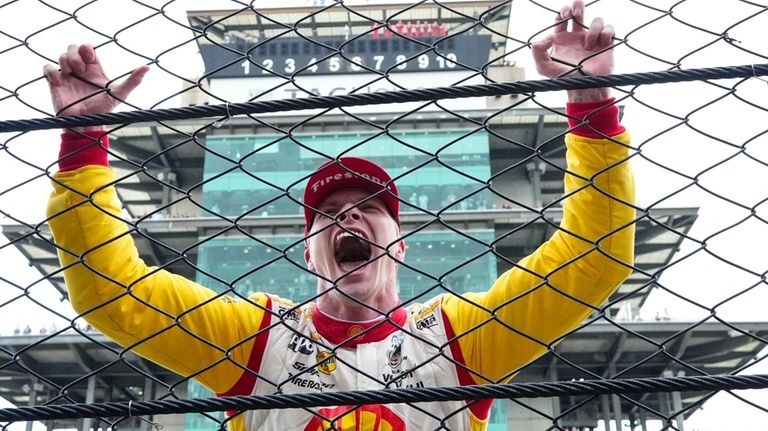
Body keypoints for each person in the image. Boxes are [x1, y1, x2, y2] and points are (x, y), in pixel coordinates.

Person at [44, 2, 634, 430]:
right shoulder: (253, 338)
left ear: (398, 244)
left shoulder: (458, 341)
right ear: (308, 252)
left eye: (368, 209)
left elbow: (594, 261)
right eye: (327, 214)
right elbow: (111, 292)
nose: (347, 219)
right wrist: (83, 139)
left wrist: (590, 106)